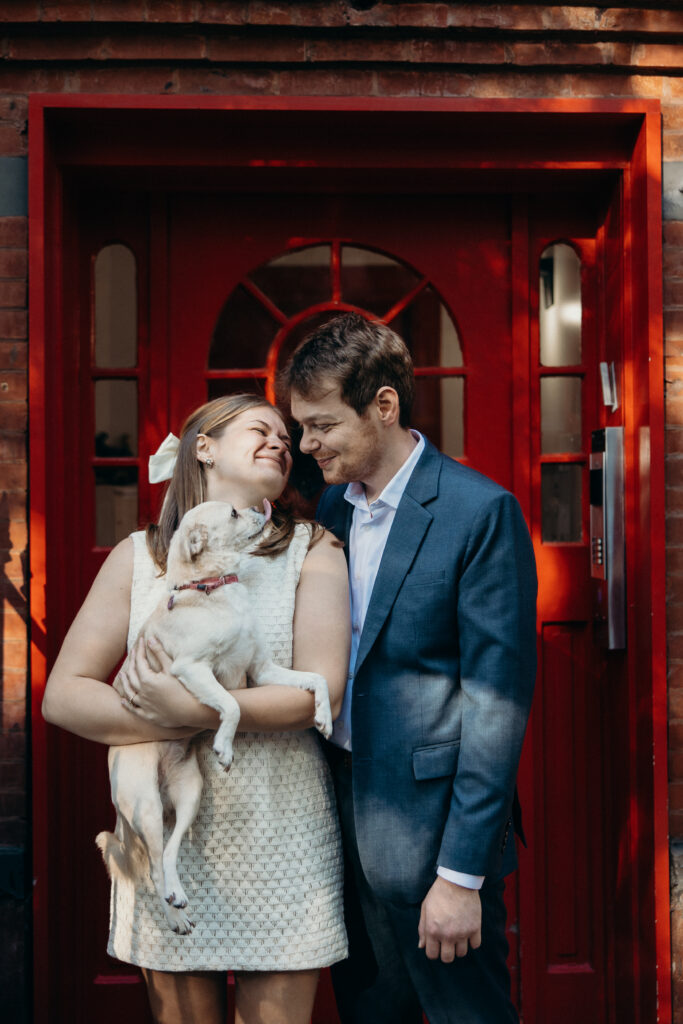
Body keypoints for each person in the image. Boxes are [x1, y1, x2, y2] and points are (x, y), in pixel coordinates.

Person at [42, 394, 350, 1024]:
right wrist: (174, 715)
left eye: (288, 440)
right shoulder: (141, 556)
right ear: (202, 447)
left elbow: (318, 691)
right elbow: (65, 693)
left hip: (279, 830)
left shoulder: (313, 549)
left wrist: (191, 707)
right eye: (260, 429)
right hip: (170, 840)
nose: (282, 443)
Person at [284, 313, 537, 1024]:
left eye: (322, 425)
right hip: (337, 816)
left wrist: (459, 877)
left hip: (433, 837)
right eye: (300, 427)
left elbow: (495, 702)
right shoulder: (330, 503)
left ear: (384, 406)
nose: (307, 445)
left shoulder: (480, 512)